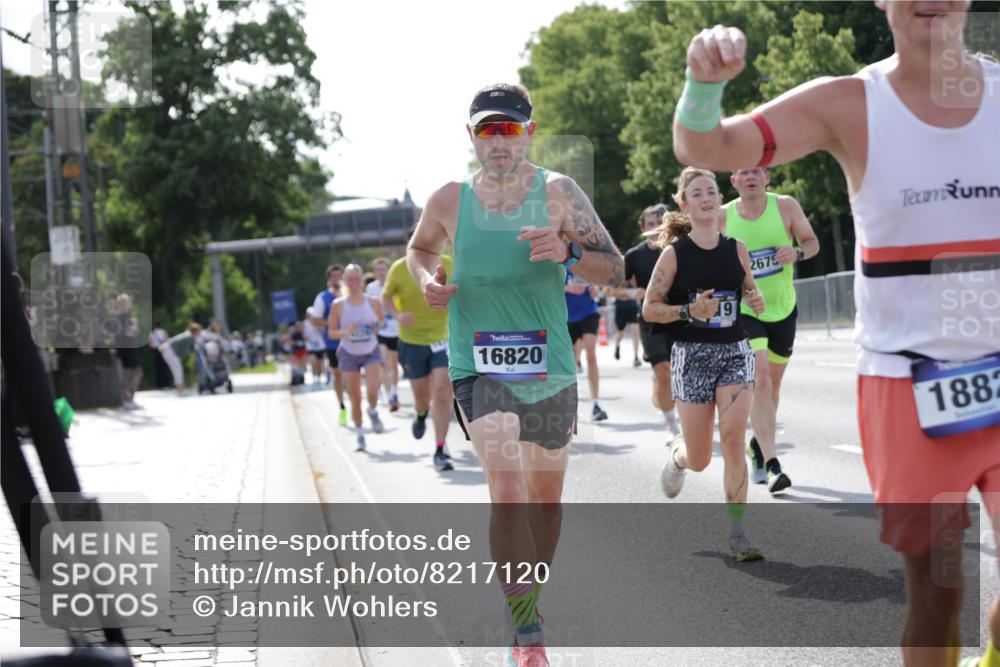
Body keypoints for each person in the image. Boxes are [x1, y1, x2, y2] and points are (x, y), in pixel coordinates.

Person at [673, 5, 1000, 664]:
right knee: (939, 593)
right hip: (908, 389)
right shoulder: (849, 104)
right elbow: (706, 149)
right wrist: (704, 85)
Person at [406, 82, 624, 667]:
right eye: (487, 129)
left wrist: (569, 253)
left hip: (549, 365)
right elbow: (420, 249)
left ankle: (524, 598)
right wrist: (428, 279)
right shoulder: (448, 199)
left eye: (508, 128)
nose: (497, 140)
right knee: (506, 492)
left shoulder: (559, 193)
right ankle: (528, 639)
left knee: (545, 505)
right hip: (477, 363)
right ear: (471, 135)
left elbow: (616, 267)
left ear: (528, 131)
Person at [642, 167, 765, 562]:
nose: (707, 198)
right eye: (697, 193)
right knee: (700, 458)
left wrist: (756, 298)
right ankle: (679, 457)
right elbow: (650, 309)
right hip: (691, 357)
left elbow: (748, 288)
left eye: (711, 191)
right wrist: (688, 311)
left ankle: (737, 533)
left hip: (733, 351)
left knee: (733, 440)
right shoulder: (673, 255)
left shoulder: (737, 248)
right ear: (685, 204)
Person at [721, 167, 819, 494]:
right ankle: (773, 462)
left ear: (767, 178)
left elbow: (812, 242)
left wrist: (798, 252)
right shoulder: (724, 217)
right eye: (742, 172)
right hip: (746, 310)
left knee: (773, 386)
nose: (750, 177)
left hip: (783, 308)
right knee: (760, 379)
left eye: (756, 172)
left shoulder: (786, 206)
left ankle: (757, 444)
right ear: (733, 181)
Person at [382, 254, 455, 471]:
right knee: (422, 398)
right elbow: (386, 297)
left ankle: (440, 449)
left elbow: (462, 290)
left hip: (442, 338)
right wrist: (397, 315)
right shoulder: (399, 267)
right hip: (412, 341)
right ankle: (421, 414)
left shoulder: (448, 263)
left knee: (443, 391)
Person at [622, 203, 681, 435]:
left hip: (680, 317)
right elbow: (610, 289)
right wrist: (631, 293)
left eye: (660, 223)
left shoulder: (680, 250)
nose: (655, 228)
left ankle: (662, 390)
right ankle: (673, 429)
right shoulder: (634, 256)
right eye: (650, 224)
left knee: (680, 373)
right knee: (665, 373)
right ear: (642, 227)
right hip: (651, 321)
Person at [327, 264, 385, 451]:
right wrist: (346, 331)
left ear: (362, 280)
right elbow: (331, 333)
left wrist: (375, 326)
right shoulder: (338, 305)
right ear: (344, 281)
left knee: (373, 391)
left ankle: (373, 411)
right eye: (349, 279)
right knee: (356, 397)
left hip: (370, 350)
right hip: (349, 353)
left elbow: (382, 321)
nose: (353, 282)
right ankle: (360, 434)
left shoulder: (373, 302)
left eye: (356, 279)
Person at [565, 270, 608, 421]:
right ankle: (569, 406)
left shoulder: (587, 262)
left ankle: (596, 404)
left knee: (591, 356)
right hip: (567, 316)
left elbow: (601, 284)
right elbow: (547, 286)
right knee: (569, 363)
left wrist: (597, 290)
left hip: (589, 312)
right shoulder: (560, 260)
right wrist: (567, 288)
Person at [311, 264, 348, 426]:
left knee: (351, 374)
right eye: (333, 276)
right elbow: (314, 319)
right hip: (332, 342)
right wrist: (331, 322)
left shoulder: (350, 294)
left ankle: (355, 403)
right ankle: (342, 407)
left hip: (351, 340)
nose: (337, 279)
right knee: (338, 375)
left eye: (339, 275)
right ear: (329, 279)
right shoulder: (323, 297)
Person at [366, 257, 401, 411]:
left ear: (388, 270)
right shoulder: (371, 288)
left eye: (384, 269)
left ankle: (393, 390)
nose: (381, 272)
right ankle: (389, 395)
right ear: (375, 272)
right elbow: (369, 309)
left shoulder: (396, 285)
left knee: (394, 364)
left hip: (396, 329)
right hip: (381, 329)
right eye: (378, 270)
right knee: (384, 362)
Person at [114, 294, 142, 410]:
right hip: (125, 349)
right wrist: (134, 327)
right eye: (128, 302)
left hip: (131, 349)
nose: (130, 304)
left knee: (134, 374)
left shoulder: (127, 316)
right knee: (129, 374)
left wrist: (135, 327)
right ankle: (127, 400)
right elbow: (122, 334)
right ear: (123, 303)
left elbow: (135, 332)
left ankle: (129, 399)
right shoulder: (119, 317)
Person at [612, 290, 641, 367]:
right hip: (620, 309)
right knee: (620, 332)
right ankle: (617, 346)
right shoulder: (618, 279)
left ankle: (636, 356)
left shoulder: (633, 279)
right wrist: (626, 293)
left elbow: (638, 292)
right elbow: (611, 292)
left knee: (635, 332)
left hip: (633, 308)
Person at [303, 307, 326, 383]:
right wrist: (309, 339)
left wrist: (318, 325)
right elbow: (304, 335)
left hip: (320, 345)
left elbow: (322, 332)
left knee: (319, 364)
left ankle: (319, 378)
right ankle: (314, 378)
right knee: (314, 362)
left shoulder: (318, 322)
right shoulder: (305, 323)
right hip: (311, 346)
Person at [148, 321, 171, 388]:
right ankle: (166, 384)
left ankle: (159, 385)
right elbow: (168, 340)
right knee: (164, 368)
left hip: (156, 351)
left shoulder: (152, 333)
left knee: (157, 369)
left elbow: (150, 344)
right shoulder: (164, 331)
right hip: (164, 350)